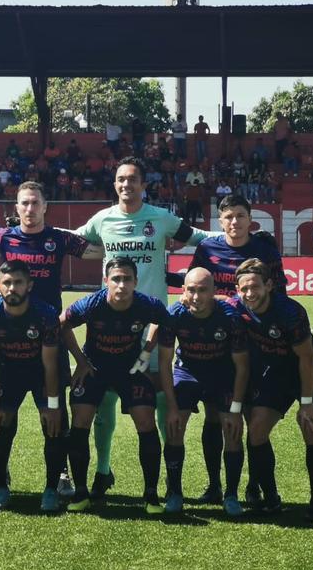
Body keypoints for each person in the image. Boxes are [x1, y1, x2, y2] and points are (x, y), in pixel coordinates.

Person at [72, 156, 213, 500]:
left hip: (154, 326)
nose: (126, 185)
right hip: (112, 325)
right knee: (102, 405)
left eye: (132, 179)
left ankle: (169, 480)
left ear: (143, 185)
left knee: (162, 401)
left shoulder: (160, 218)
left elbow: (197, 237)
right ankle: (103, 472)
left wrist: (235, 233)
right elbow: (71, 241)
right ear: (115, 184)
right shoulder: (102, 219)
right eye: (121, 179)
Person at [0, 181, 103, 496]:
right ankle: (0, 473)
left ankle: (61, 472)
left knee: (55, 409)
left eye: (35, 203)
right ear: (17, 207)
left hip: (50, 334)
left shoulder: (60, 238)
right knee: (5, 414)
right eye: (24, 203)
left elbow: (98, 252)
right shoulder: (4, 236)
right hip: (10, 337)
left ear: (45, 206)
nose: (30, 209)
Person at [186, 194, 285, 508]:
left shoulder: (265, 250)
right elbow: (193, 284)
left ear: (250, 218)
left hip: (256, 345)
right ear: (220, 220)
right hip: (217, 345)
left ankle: (255, 486)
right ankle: (215, 485)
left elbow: (279, 292)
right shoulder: (207, 249)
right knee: (216, 415)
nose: (234, 222)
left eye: (240, 216)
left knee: (251, 417)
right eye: (228, 217)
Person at [60, 258, 173, 514]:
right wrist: (79, 361)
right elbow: (61, 324)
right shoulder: (92, 303)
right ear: (106, 281)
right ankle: (80, 491)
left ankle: (151, 494)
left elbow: (163, 322)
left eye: (127, 279)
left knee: (146, 421)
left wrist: (146, 353)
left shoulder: (147, 304)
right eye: (116, 279)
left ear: (135, 281)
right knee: (81, 421)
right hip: (95, 368)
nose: (121, 285)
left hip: (129, 370)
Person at [233, 258, 313, 522]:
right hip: (275, 373)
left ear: (269, 285)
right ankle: (271, 497)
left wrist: (307, 401)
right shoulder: (237, 308)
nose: (249, 294)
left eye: (255, 287)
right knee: (256, 430)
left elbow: (307, 359)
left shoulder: (290, 312)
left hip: (309, 371)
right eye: (243, 289)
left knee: (310, 428)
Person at [154, 267, 249, 515]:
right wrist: (172, 407)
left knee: (231, 428)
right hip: (188, 373)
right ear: (183, 291)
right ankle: (174, 492)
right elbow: (164, 363)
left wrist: (237, 410)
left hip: (222, 374)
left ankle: (230, 494)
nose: (197, 297)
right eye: (192, 290)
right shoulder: (174, 314)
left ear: (214, 292)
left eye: (203, 290)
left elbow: (242, 366)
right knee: (174, 427)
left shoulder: (229, 316)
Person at [0, 260, 63, 512]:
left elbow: (50, 364)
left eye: (18, 282)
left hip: (40, 372)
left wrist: (53, 406)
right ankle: (1, 487)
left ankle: (51, 489)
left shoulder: (45, 314)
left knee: (55, 426)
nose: (12, 288)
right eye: (7, 283)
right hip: (8, 372)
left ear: (29, 285)